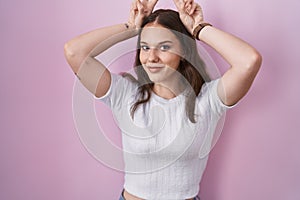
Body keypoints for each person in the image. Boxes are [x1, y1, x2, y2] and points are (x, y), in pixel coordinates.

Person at [64, 0, 262, 199]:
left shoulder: (207, 100)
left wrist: (198, 28)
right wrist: (131, 27)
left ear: (183, 51)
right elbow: (74, 52)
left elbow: (248, 62)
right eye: (145, 47)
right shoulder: (124, 94)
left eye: (164, 47)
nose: (152, 58)